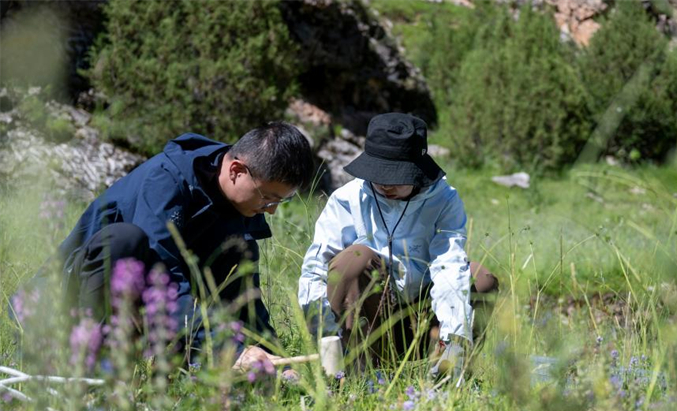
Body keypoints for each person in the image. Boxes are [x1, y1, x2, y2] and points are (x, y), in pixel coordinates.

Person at [49, 123, 313, 374]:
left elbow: (246, 298)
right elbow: (162, 271)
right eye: (268, 197)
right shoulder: (166, 181)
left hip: (143, 313)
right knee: (125, 238)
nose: (273, 209)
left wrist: (277, 362)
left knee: (238, 252)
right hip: (61, 305)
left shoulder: (240, 207)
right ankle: (86, 368)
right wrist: (228, 350)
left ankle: (171, 369)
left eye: (281, 200)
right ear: (236, 170)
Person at [298, 113, 497, 379]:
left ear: (418, 170)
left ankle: (447, 374)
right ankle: (354, 373)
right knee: (355, 258)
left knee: (480, 278)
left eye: (396, 176)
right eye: (379, 174)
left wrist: (455, 337)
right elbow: (316, 269)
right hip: (371, 323)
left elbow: (450, 265)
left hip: (424, 323)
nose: (385, 184)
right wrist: (323, 334)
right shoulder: (348, 199)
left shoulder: (444, 200)